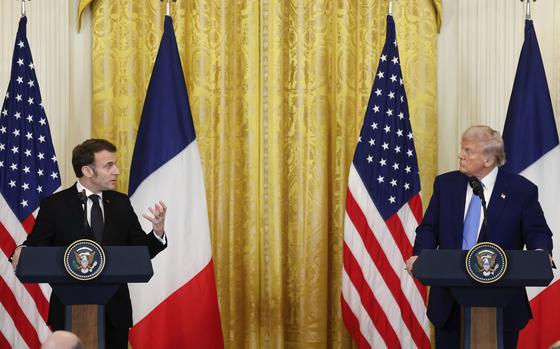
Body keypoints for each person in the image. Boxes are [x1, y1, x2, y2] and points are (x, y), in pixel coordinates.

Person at [11, 139, 168, 349]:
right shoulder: (54, 205)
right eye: (109, 165)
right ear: (87, 170)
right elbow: (36, 246)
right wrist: (23, 251)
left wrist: (157, 233)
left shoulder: (121, 203)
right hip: (68, 311)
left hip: (114, 315)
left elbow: (141, 253)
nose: (117, 171)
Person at [405, 125, 553, 348]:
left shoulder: (521, 190)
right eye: (462, 149)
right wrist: (419, 256)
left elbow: (537, 231)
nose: (460, 155)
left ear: (488, 160)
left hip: (503, 303)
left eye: (468, 151)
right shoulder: (446, 185)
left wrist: (540, 254)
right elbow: (429, 228)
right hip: (449, 303)